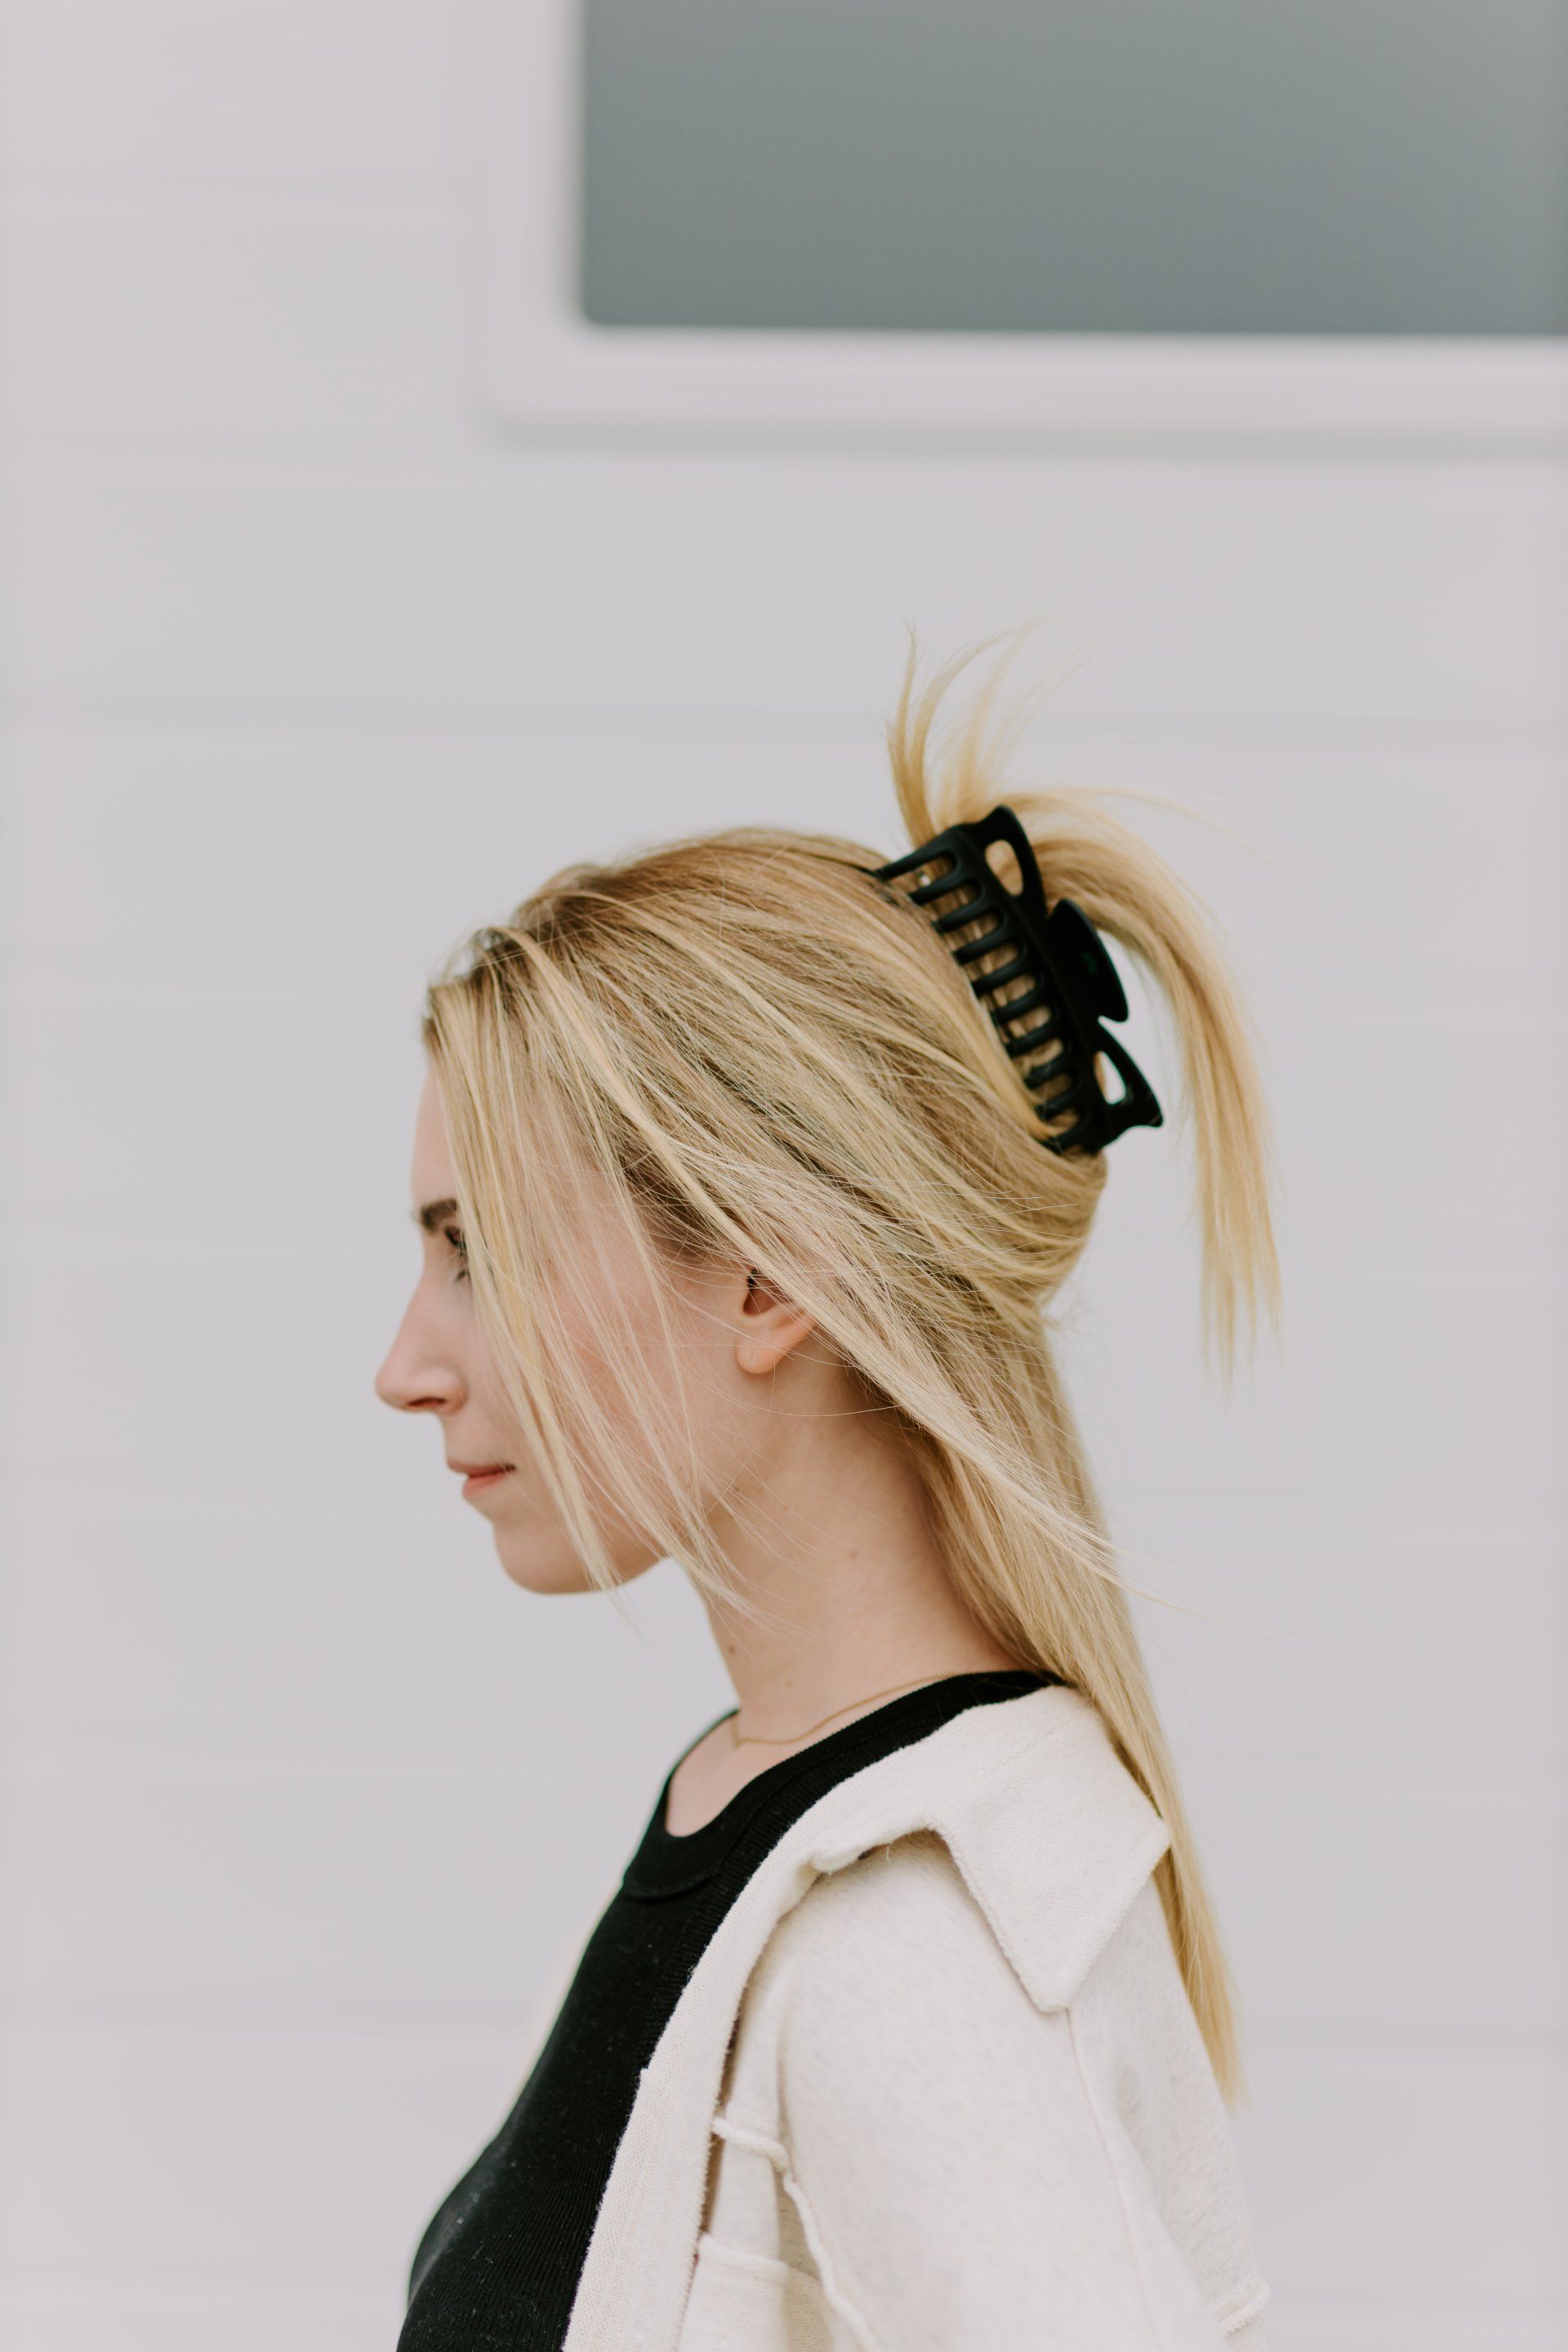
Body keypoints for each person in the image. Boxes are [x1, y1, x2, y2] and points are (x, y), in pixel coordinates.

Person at [374, 626, 1279, 2350]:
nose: (407, 1365)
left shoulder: (912, 1961)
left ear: (768, 1275)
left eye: (476, 1252)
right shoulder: (755, 1808)